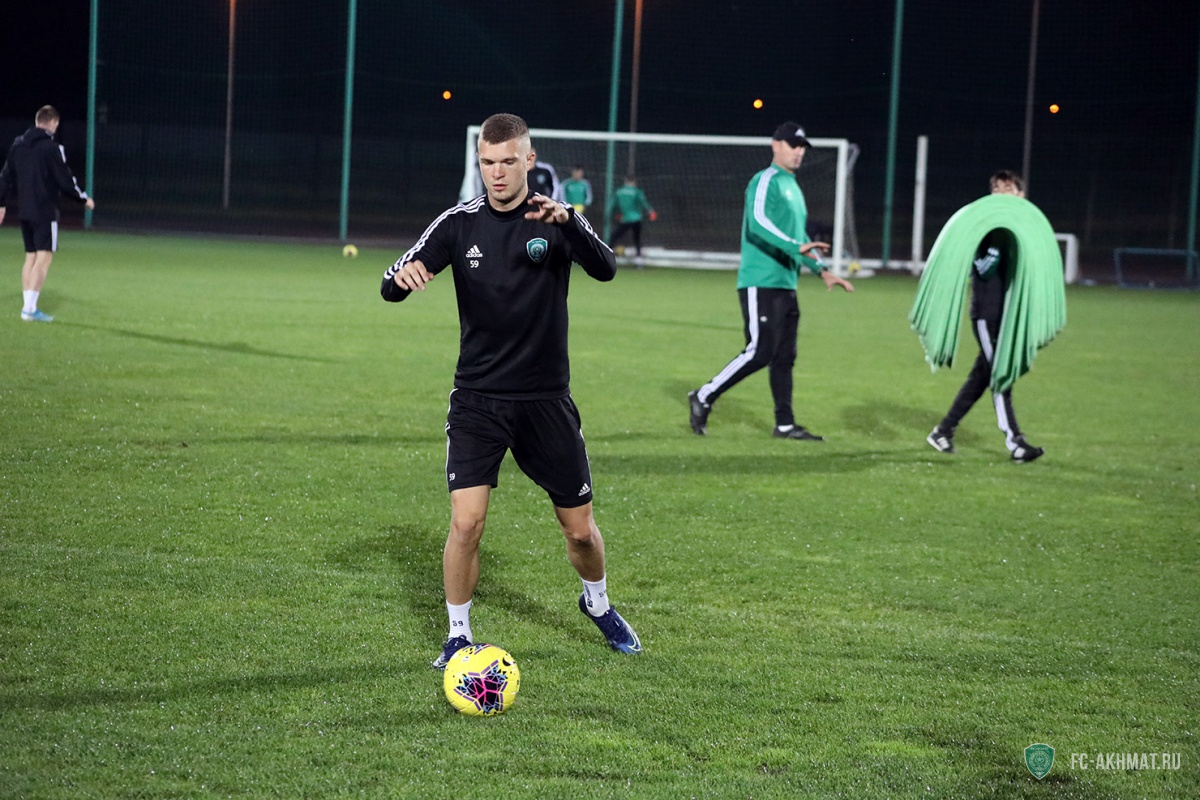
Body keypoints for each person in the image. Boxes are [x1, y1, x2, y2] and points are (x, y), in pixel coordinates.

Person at [380, 113, 641, 669]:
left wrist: (571, 222)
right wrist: (401, 281)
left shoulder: (555, 217)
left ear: (529, 159)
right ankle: (458, 636)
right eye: (487, 162)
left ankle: (597, 602)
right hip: (477, 399)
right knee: (466, 523)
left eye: (507, 161)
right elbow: (392, 280)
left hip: (546, 401)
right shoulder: (458, 224)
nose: (496, 173)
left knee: (579, 533)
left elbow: (607, 268)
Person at [688, 122, 854, 440]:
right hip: (760, 280)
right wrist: (794, 246)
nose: (799, 152)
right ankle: (704, 395)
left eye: (802, 147)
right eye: (793, 145)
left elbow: (799, 238)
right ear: (775, 145)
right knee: (760, 351)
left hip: (786, 283)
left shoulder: (794, 187)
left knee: (784, 358)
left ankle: (785, 424)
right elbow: (758, 223)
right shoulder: (765, 180)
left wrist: (822, 270)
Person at [926, 170, 1044, 463]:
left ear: (1021, 195)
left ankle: (943, 431)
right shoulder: (989, 231)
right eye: (997, 189)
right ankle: (1015, 442)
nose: (1001, 194)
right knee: (1001, 376)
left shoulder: (1018, 233)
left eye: (1008, 188)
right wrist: (998, 244)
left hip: (1006, 318)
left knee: (981, 378)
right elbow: (983, 268)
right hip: (986, 316)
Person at [0, 105, 95, 322]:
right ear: (53, 122)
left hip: (24, 210)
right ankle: (29, 310)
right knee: (44, 257)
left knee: (31, 257)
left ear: (37, 121)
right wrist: (83, 199)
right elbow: (65, 180)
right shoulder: (52, 148)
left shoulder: (18, 144)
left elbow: (5, 177)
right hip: (45, 210)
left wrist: (1, 204)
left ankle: (28, 307)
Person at [607, 176, 656, 259]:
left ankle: (607, 254)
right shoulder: (637, 191)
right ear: (634, 182)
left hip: (626, 219)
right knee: (637, 238)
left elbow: (613, 206)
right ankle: (638, 258)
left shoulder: (619, 191)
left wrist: (616, 214)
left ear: (625, 181)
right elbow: (643, 203)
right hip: (637, 219)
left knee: (614, 236)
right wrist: (651, 211)